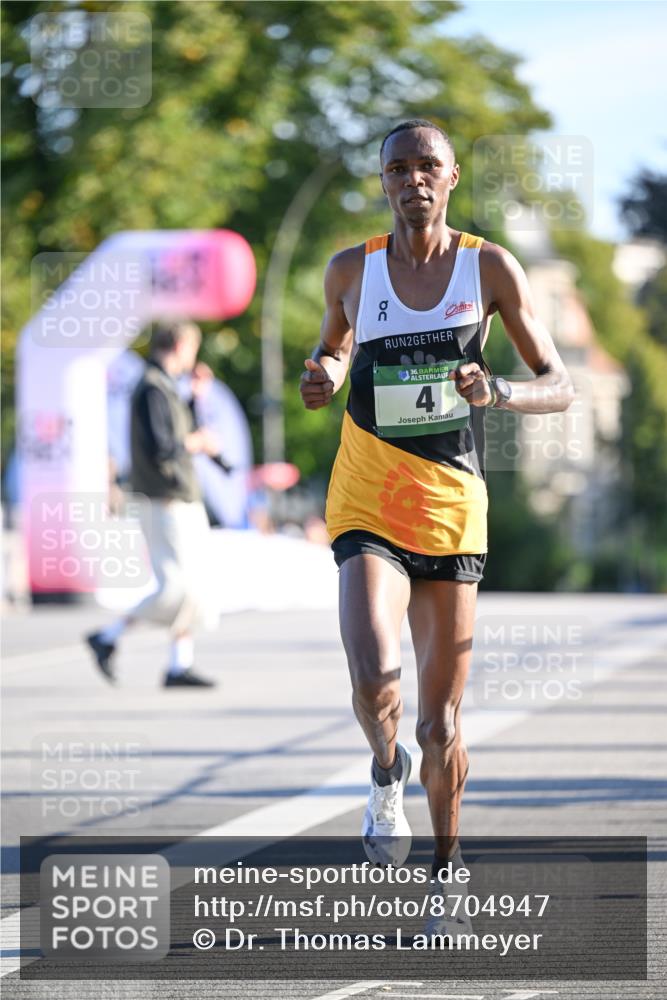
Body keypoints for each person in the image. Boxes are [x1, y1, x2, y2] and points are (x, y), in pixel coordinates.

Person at [300, 119, 574, 927]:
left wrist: (500, 392)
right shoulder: (352, 268)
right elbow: (334, 350)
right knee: (372, 676)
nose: (413, 179)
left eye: (428, 167)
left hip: (451, 502)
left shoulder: (488, 266)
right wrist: (323, 374)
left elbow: (557, 382)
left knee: (439, 719)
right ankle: (384, 777)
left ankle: (447, 869)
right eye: (398, 168)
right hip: (366, 495)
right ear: (381, 181)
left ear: (451, 178)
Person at [86, 321, 221, 687]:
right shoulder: (151, 388)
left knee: (193, 583)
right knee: (176, 587)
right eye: (192, 348)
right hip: (164, 498)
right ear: (179, 345)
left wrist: (195, 397)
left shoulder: (162, 386)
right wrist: (198, 442)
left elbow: (173, 435)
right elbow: (165, 446)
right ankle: (108, 636)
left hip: (176, 495)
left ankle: (179, 664)